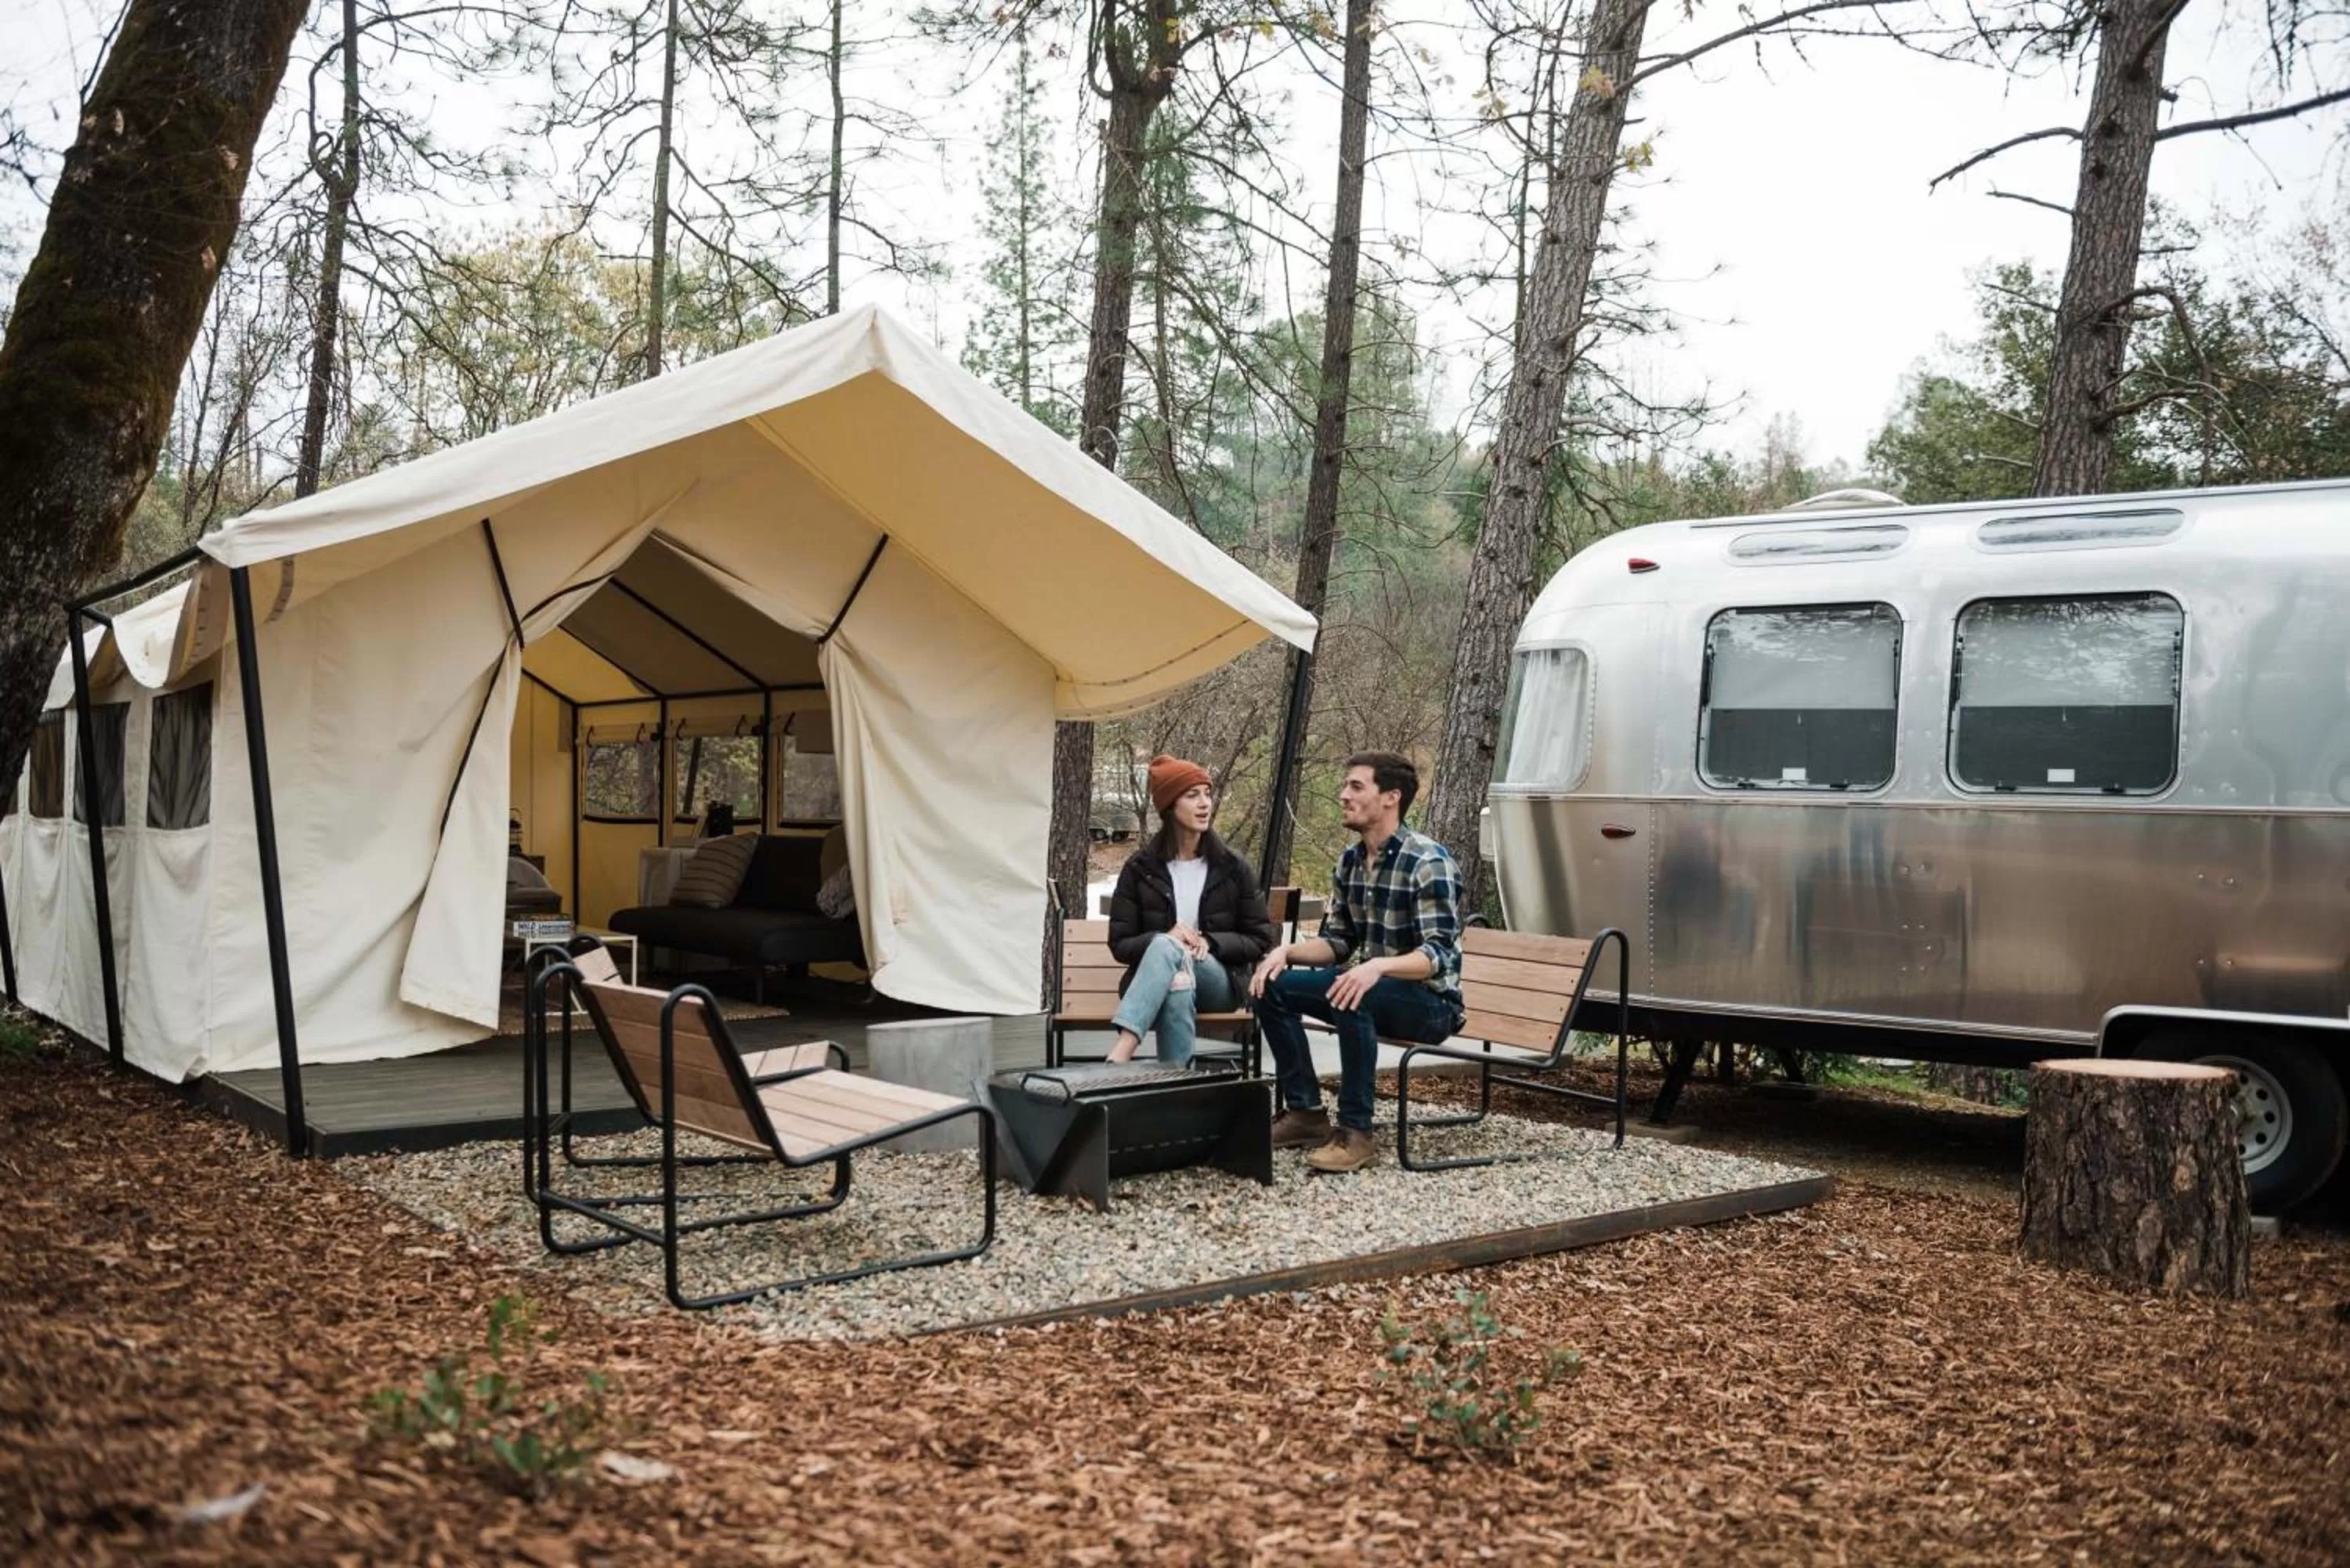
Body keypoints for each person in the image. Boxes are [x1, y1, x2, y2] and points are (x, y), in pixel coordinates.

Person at [1249, 752, 1466, 1173]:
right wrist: (1284, 954)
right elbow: (1338, 943)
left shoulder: (1428, 862)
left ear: (1391, 798)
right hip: (1371, 987)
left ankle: (1356, 1133)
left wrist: (1378, 968)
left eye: (1356, 786)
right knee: (1271, 986)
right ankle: (1306, 1113)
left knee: (1353, 991)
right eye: (1345, 786)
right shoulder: (1350, 862)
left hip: (1431, 1006)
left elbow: (1438, 955)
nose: (1343, 795)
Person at [1102, 755, 1274, 1067]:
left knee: (1169, 950)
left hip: (1219, 982)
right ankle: (1177, 1090)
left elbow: (1260, 938)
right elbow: (1121, 944)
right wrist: (1165, 938)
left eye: (1207, 794)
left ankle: (1122, 1049)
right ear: (1169, 806)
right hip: (1164, 981)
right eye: (1192, 795)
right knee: (1176, 980)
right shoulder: (1140, 869)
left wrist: (1211, 941)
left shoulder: (1232, 867)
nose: (1204, 803)